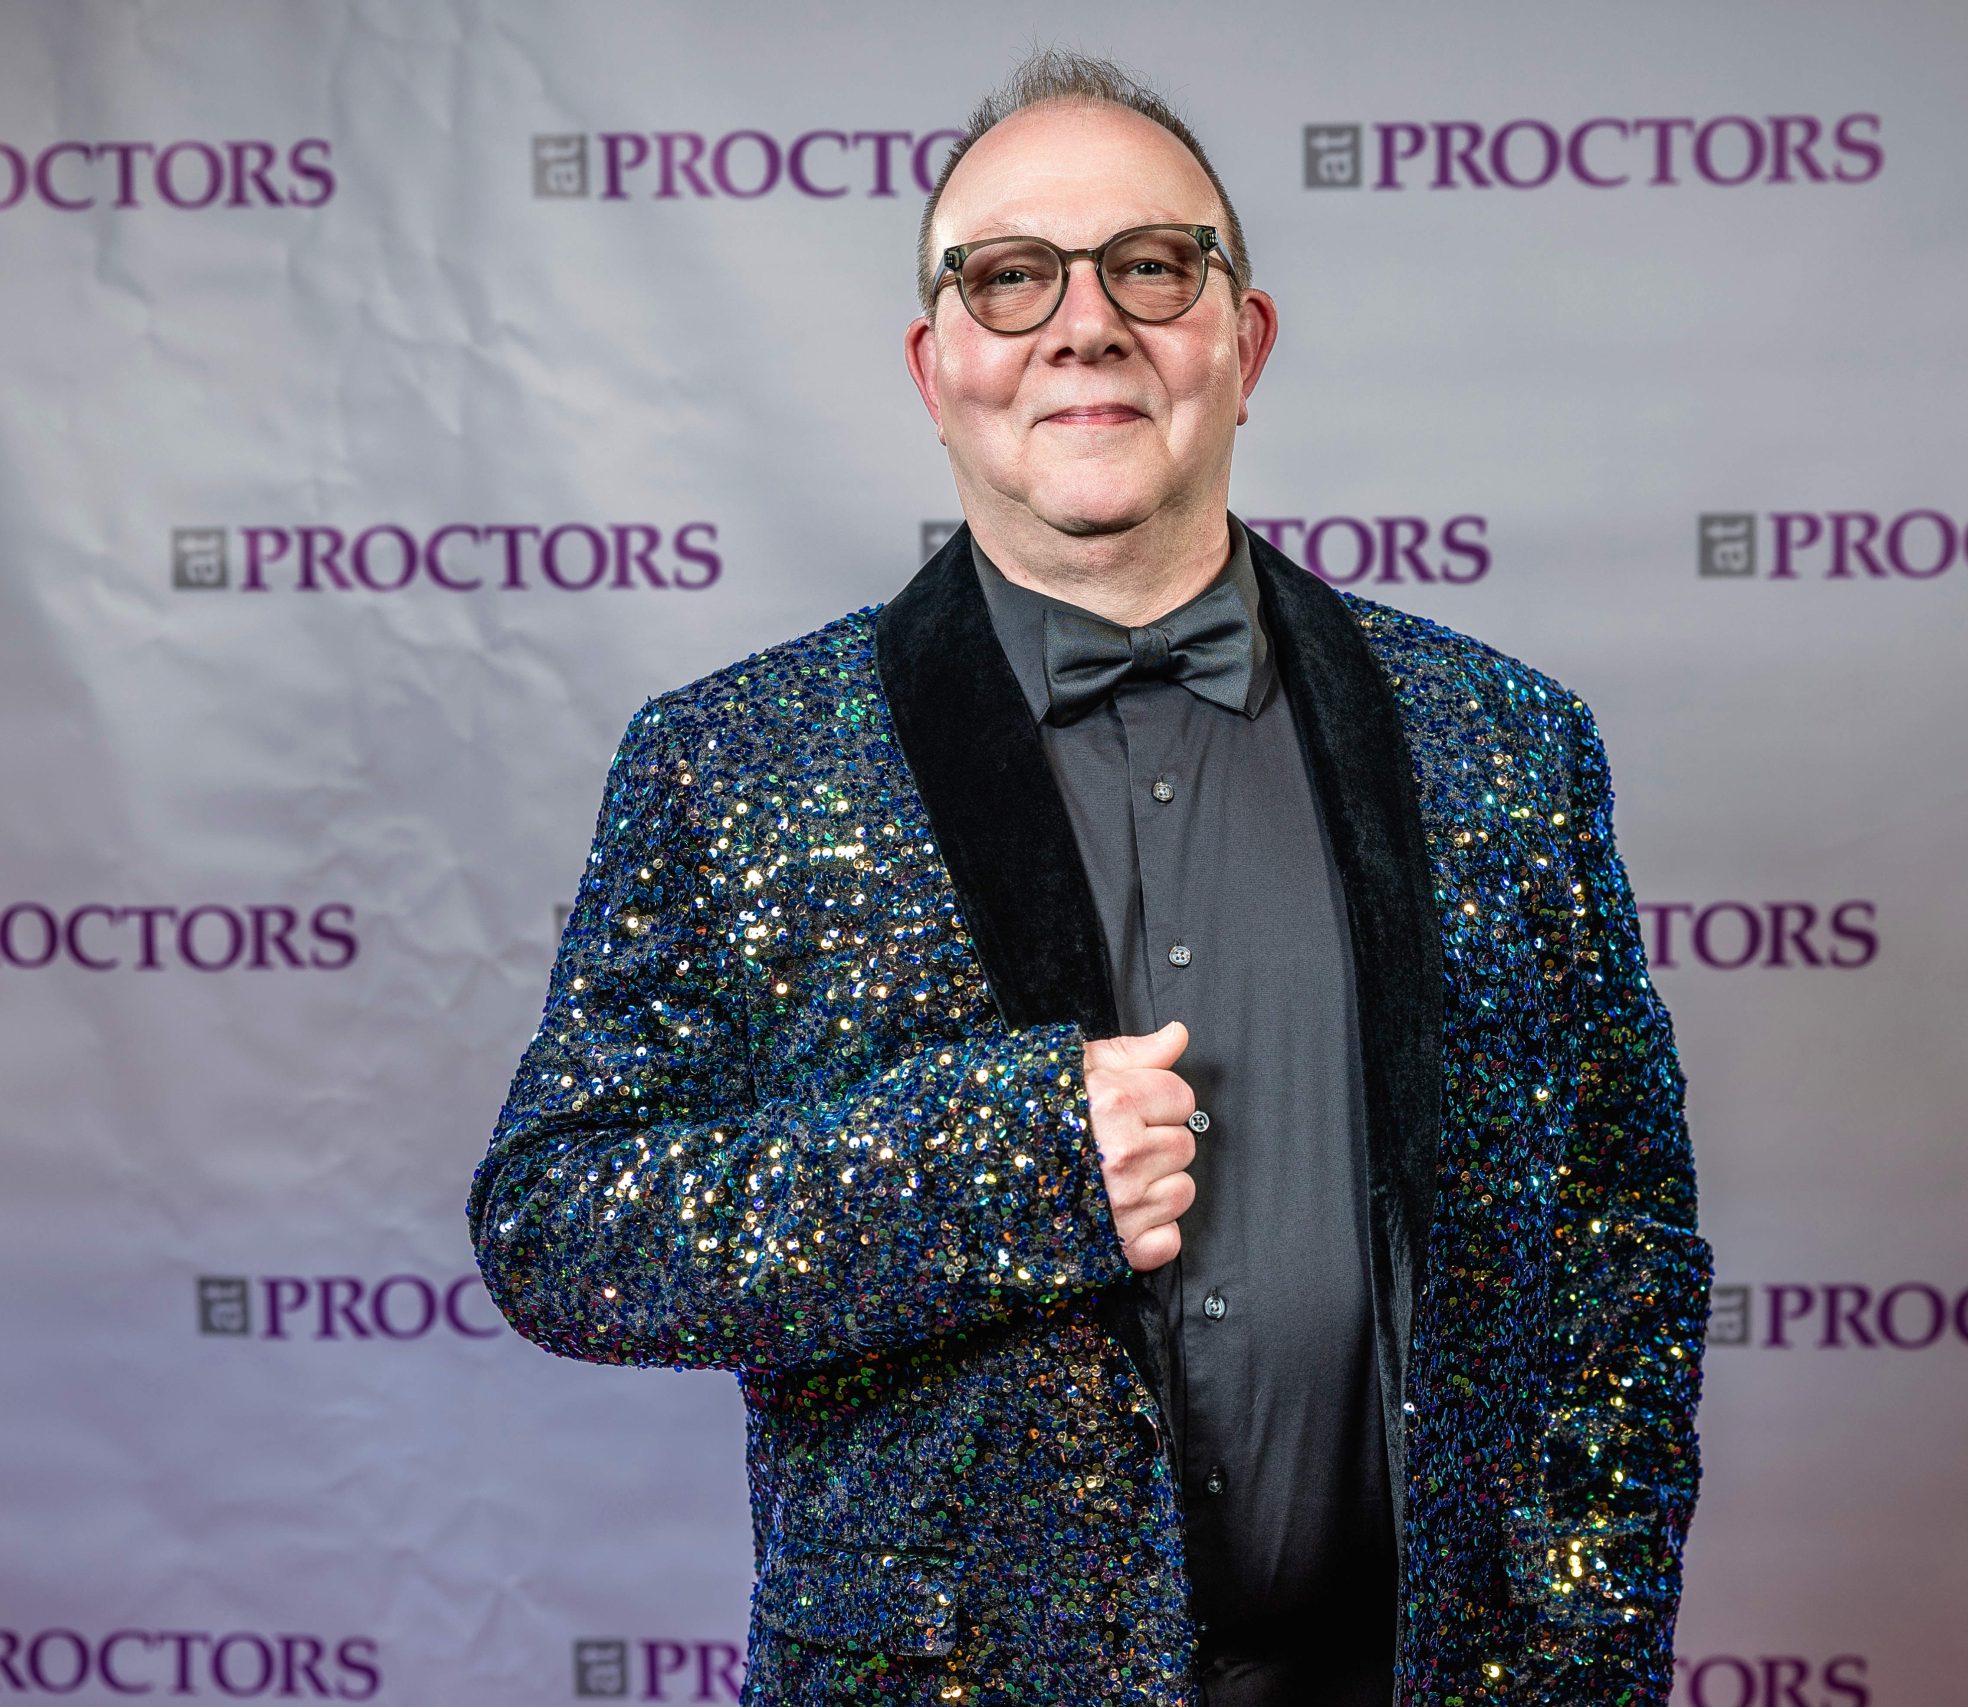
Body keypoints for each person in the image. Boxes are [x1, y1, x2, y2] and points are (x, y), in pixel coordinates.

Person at [467, 49, 1710, 1707]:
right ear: (936, 367)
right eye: (1009, 278)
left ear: (1243, 341)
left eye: (1151, 265)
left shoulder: (1506, 741)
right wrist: (999, 1161)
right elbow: (559, 1232)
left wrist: (1585, 1649)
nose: (1084, 325)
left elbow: (1626, 1244)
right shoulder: (728, 760)